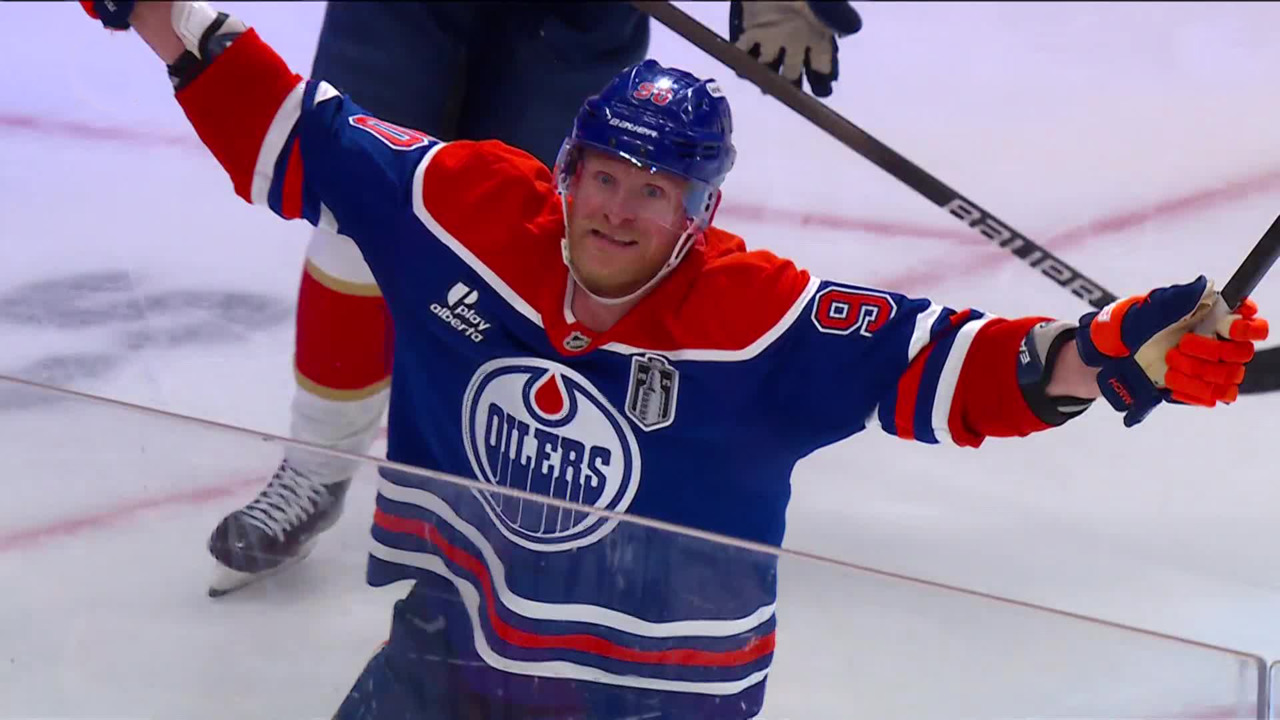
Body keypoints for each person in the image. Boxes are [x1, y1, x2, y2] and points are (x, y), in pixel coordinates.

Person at [82, 2, 1270, 718]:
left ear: (699, 213)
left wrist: (1108, 356)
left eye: (651, 193)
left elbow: (953, 367)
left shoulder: (758, 319)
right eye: (601, 179)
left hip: (653, 695)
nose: (614, 212)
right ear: (563, 172)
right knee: (347, 248)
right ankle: (315, 467)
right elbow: (293, 130)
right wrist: (162, 15)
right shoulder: (469, 210)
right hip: (449, 652)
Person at [185, 1, 864, 597]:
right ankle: (316, 468)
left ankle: (496, 506)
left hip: (571, 17)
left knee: (517, 246)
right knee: (355, 212)